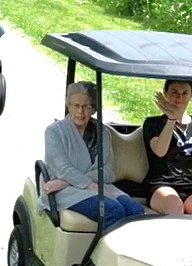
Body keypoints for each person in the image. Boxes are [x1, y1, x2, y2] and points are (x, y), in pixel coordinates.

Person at [43, 82, 145, 229]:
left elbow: (108, 173)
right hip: (66, 193)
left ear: (94, 109)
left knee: (136, 210)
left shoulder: (102, 132)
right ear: (68, 105)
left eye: (86, 106)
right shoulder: (54, 132)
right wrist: (88, 184)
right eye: (76, 105)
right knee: (113, 210)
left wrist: (66, 181)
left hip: (94, 186)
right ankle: (103, 252)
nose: (80, 111)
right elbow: (63, 170)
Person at [142, 79, 192, 218]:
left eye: (184, 93)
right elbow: (159, 151)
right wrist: (171, 120)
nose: (179, 98)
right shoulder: (153, 123)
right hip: (163, 183)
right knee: (175, 209)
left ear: (191, 95)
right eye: (174, 92)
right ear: (165, 94)